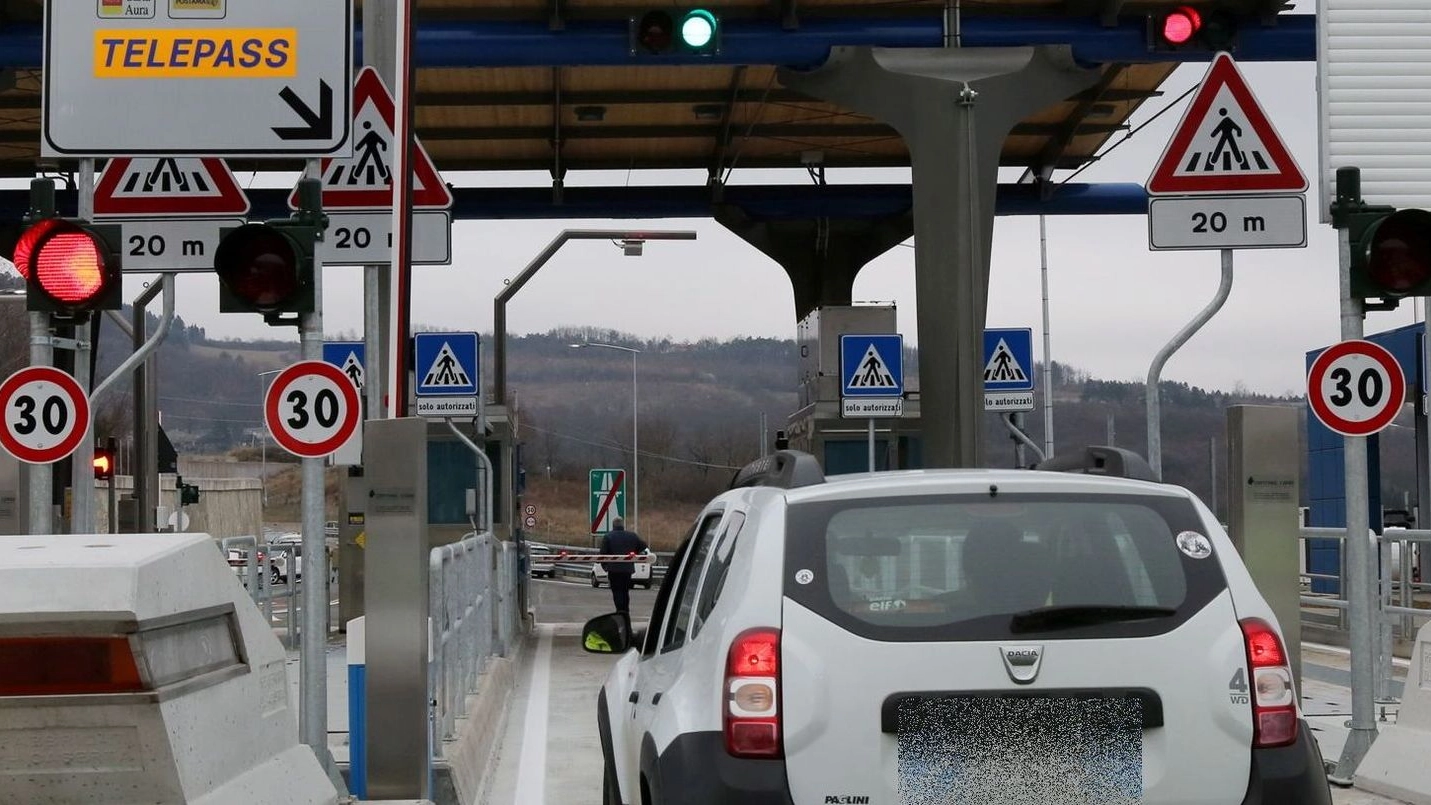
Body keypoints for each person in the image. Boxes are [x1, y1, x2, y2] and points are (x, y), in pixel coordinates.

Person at [600, 518, 648, 613]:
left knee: (617, 591)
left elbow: (603, 554)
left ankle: (620, 611)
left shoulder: (608, 536)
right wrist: (634, 553)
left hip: (614, 570)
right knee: (625, 591)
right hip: (627, 570)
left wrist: (605, 566)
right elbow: (643, 545)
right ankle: (625, 611)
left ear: (613, 526)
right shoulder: (632, 536)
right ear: (623, 525)